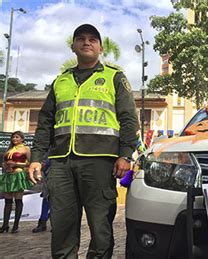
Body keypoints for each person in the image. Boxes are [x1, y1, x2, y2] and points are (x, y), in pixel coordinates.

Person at [28, 24, 139, 258]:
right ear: (73, 46)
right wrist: (36, 158)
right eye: (81, 39)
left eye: (92, 39)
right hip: (60, 163)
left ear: (100, 48)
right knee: (62, 228)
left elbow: (129, 119)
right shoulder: (60, 81)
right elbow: (45, 123)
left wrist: (125, 155)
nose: (86, 42)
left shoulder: (114, 77)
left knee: (100, 228)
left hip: (100, 163)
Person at [0, 131, 33, 233]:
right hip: (8, 175)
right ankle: (5, 225)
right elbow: (4, 161)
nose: (14, 139)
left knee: (18, 199)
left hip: (18, 175)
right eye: (13, 137)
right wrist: (4, 165)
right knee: (8, 200)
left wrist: (16, 164)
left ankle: (16, 225)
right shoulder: (9, 149)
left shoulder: (26, 149)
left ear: (22, 139)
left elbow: (30, 163)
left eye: (17, 137)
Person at [32, 157, 51, 233]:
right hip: (47, 177)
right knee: (46, 199)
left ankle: (54, 223)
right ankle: (42, 223)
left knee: (55, 201)